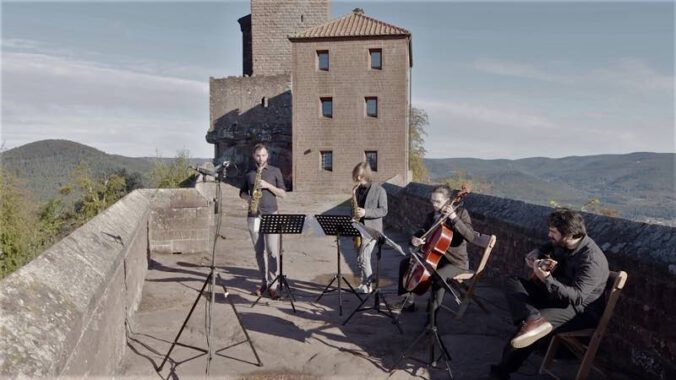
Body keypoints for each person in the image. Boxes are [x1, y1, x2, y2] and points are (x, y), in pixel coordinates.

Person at [490, 208, 609, 380]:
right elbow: (549, 245)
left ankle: (501, 372)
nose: (549, 235)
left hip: (578, 309)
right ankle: (531, 317)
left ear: (568, 234)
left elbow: (577, 297)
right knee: (512, 282)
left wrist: (546, 279)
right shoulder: (565, 243)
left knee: (527, 331)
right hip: (555, 295)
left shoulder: (591, 260)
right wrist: (537, 252)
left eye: (553, 232)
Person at [397, 184, 475, 313]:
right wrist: (414, 239)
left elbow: (470, 237)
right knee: (405, 263)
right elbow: (423, 231)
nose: (434, 204)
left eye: (438, 201)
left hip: (455, 262)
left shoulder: (461, 213)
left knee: (438, 277)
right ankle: (408, 302)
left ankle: (432, 319)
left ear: (448, 200)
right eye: (432, 201)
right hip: (435, 258)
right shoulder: (432, 215)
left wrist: (454, 218)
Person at [239, 143, 287, 299]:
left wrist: (267, 185)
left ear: (268, 156)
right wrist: (249, 198)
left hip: (271, 214)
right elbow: (242, 193)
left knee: (272, 251)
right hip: (254, 215)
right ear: (254, 156)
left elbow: (283, 194)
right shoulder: (249, 172)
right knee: (259, 252)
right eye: (258, 155)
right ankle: (264, 282)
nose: (261, 158)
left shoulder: (275, 171)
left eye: (264, 155)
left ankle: (274, 286)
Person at [351, 162, 388, 293]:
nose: (356, 179)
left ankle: (369, 285)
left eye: (358, 176)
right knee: (359, 258)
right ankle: (363, 284)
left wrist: (366, 212)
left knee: (364, 257)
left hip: (372, 230)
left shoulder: (380, 190)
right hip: (358, 228)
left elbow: (384, 210)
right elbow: (354, 208)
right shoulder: (357, 190)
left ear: (364, 175)